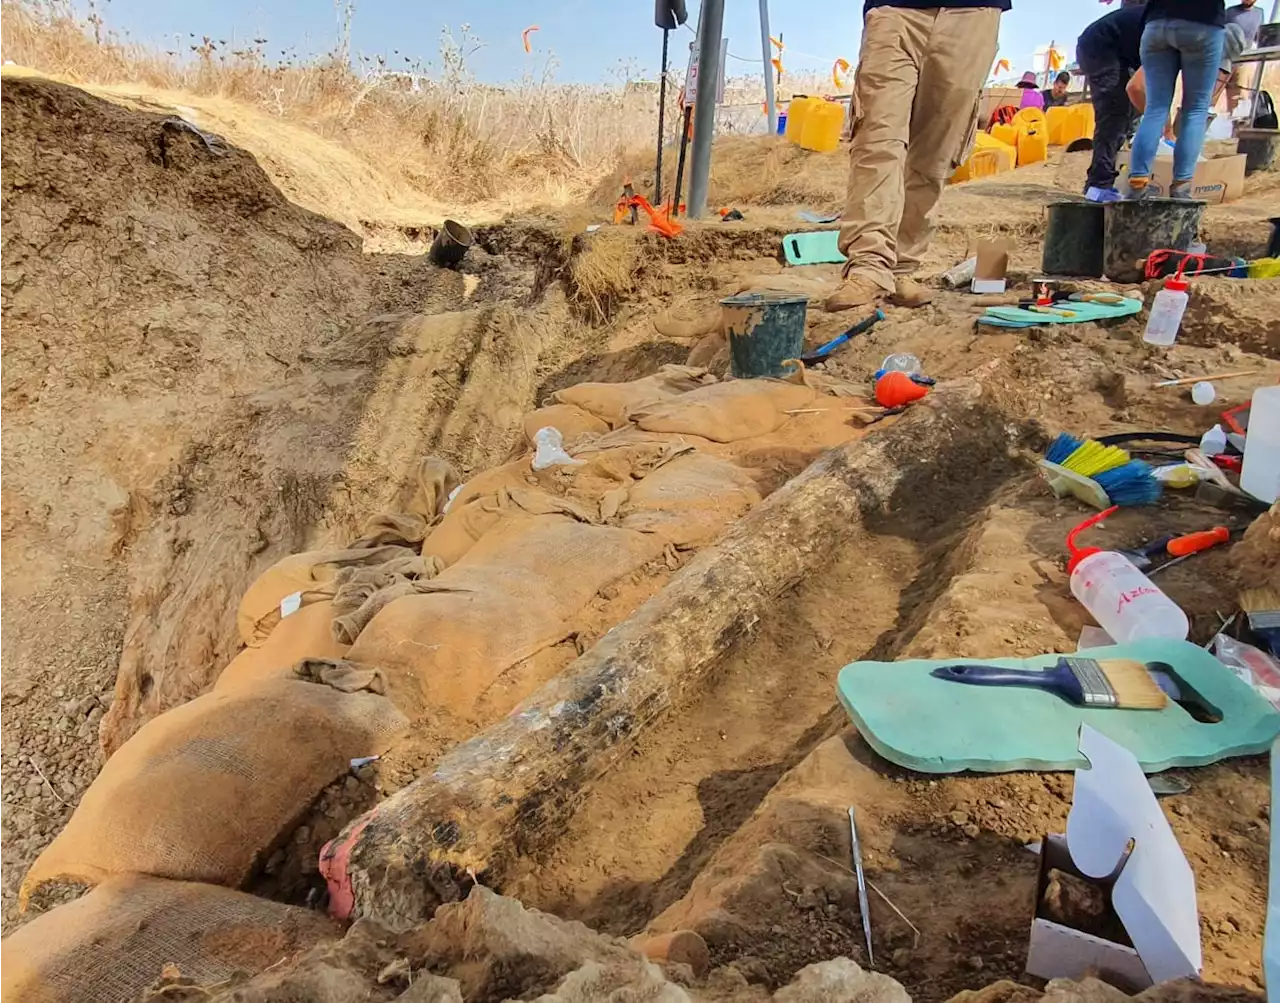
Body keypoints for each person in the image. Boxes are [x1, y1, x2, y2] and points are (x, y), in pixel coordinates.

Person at [825, 0, 1009, 313]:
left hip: (973, 13)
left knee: (936, 151)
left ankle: (900, 268)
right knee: (877, 139)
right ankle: (869, 265)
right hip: (895, 10)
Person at [1126, 0, 1227, 200]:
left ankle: (1137, 184)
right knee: (1196, 109)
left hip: (1157, 23)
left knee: (1155, 109)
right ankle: (1181, 187)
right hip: (1203, 22)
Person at [1077, 4, 1147, 197]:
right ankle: (1099, 184)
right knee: (1114, 113)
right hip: (1100, 46)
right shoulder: (1168, 23)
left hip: (1119, 50)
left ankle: (1104, 174)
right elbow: (1140, 87)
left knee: (1126, 113)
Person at [1224, 0, 1262, 109]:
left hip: (1245, 58)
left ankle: (1237, 122)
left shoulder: (1259, 13)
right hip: (1227, 57)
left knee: (1239, 94)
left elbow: (1258, 36)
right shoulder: (1230, 12)